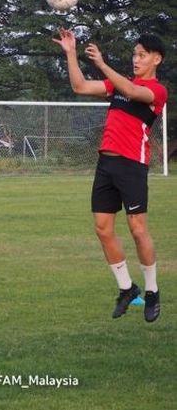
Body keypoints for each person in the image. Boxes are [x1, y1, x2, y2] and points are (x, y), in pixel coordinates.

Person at [53, 29, 166, 322]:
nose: (136, 59)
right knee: (102, 229)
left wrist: (102, 64)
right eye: (134, 54)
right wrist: (70, 53)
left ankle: (153, 292)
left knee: (138, 228)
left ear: (157, 59)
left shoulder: (157, 92)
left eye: (142, 55)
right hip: (106, 164)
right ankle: (127, 289)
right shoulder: (117, 86)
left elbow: (131, 91)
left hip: (132, 166)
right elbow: (79, 86)